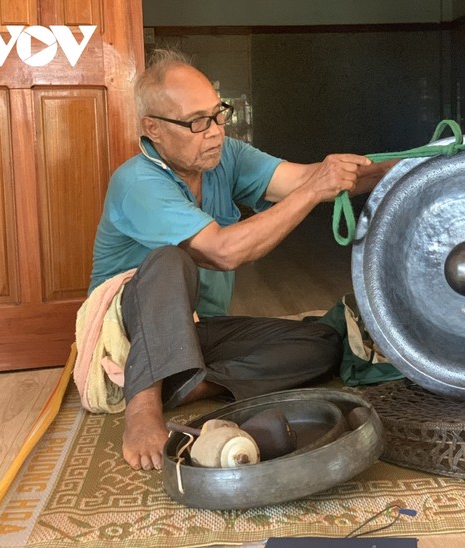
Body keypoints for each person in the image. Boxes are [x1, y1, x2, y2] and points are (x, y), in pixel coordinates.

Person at [78, 49, 393, 472]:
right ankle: (143, 403)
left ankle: (191, 385)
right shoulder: (136, 181)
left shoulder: (224, 157)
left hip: (196, 330)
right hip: (129, 335)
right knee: (170, 260)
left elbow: (307, 178)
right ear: (153, 128)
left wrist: (415, 163)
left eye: (218, 114)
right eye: (196, 122)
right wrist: (313, 190)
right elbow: (223, 251)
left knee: (322, 341)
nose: (214, 132)